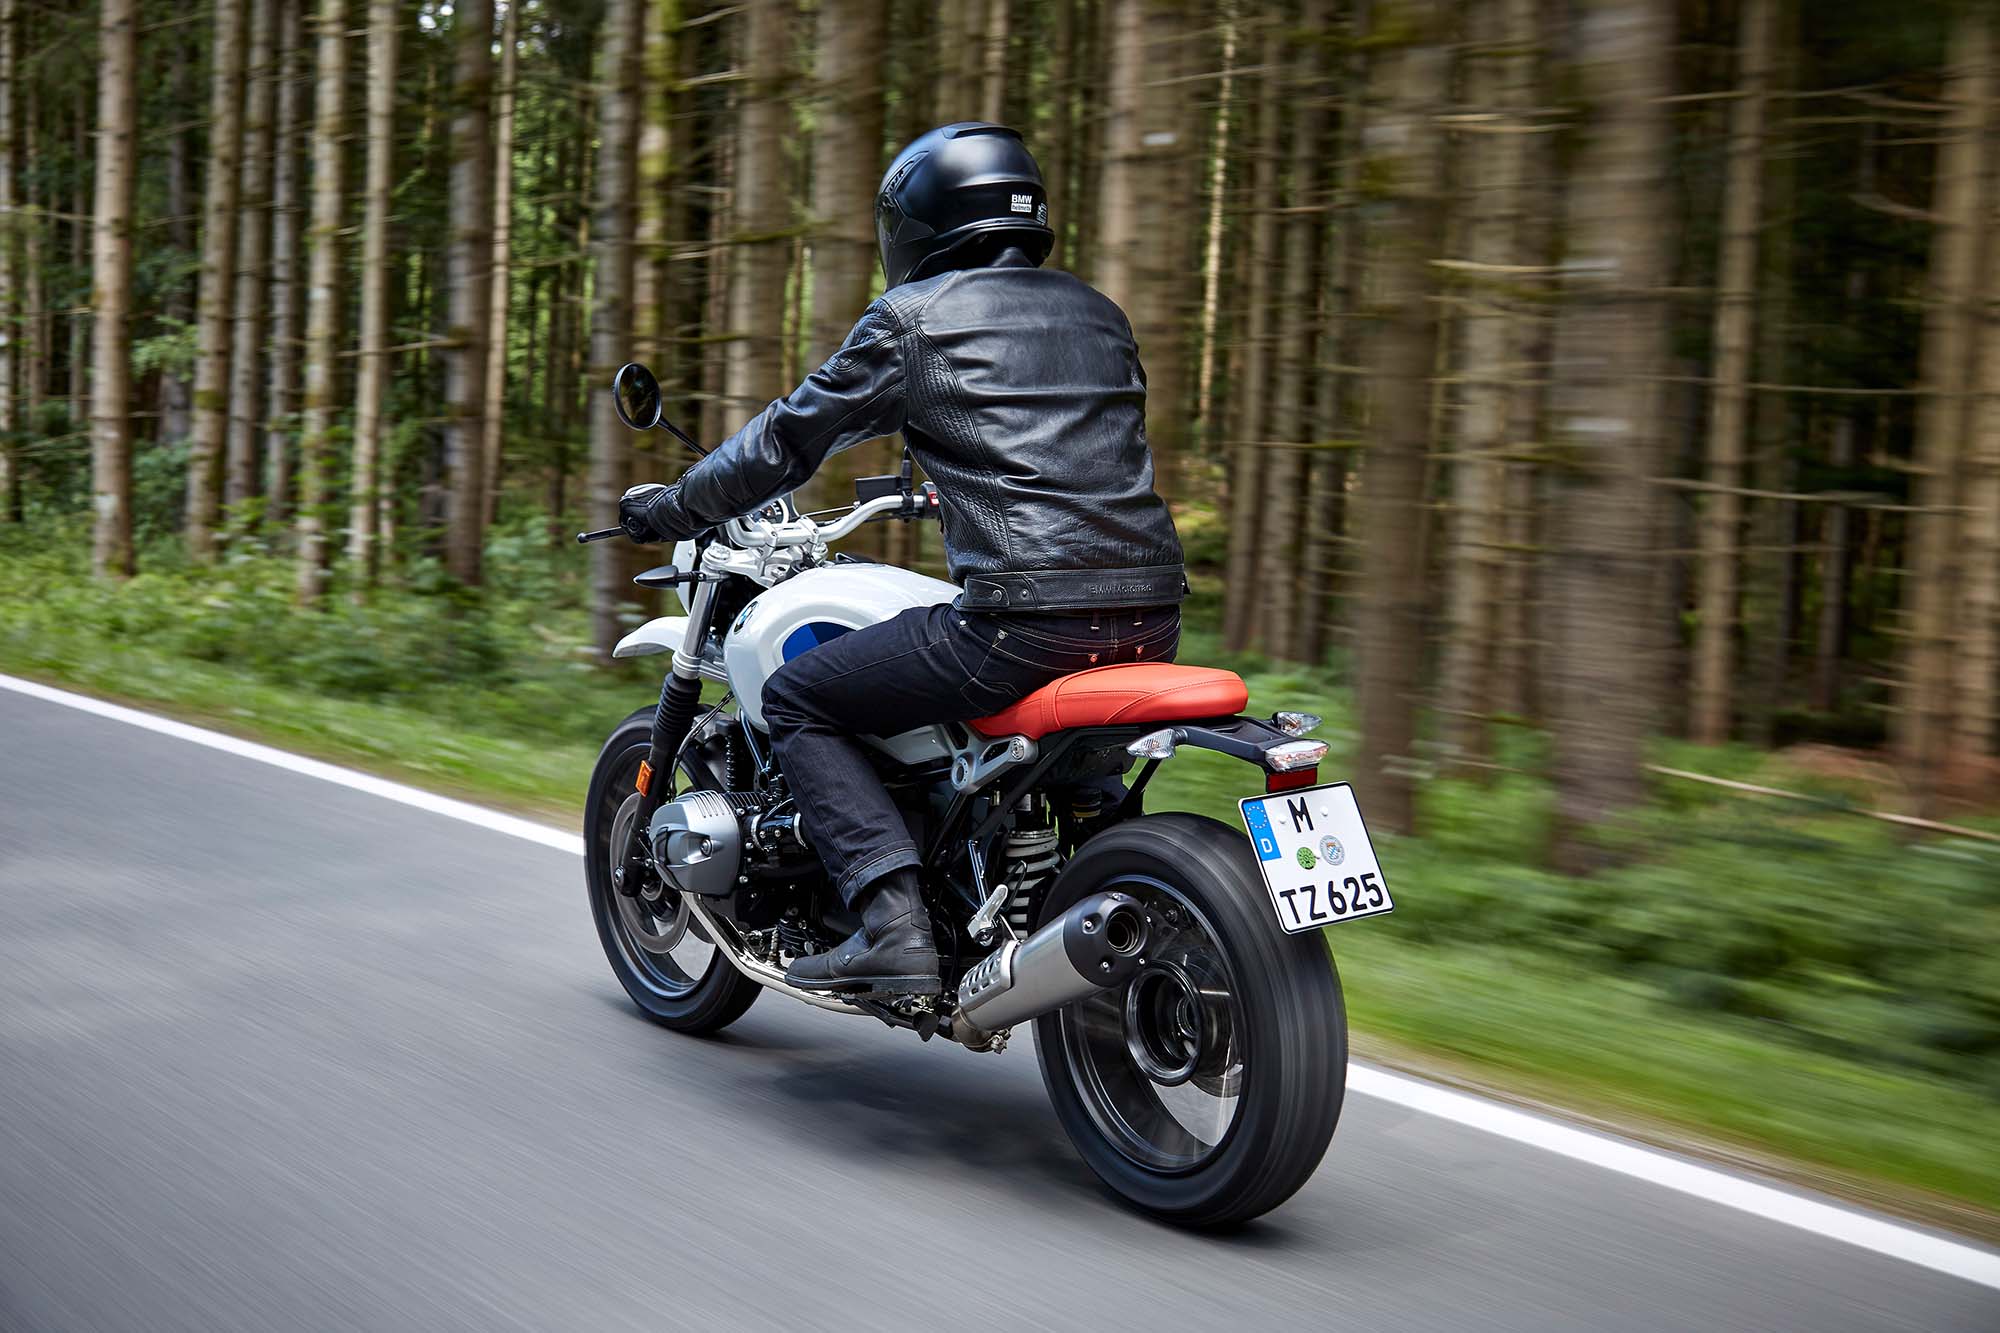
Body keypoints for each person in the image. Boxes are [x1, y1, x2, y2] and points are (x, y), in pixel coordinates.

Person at [616, 122, 1185, 996]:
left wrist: (673, 505)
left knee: (799, 695)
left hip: (1021, 631)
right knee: (1070, 768)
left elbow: (786, 442)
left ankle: (893, 925)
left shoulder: (915, 320)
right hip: (1153, 618)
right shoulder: (1100, 315)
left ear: (917, 224)